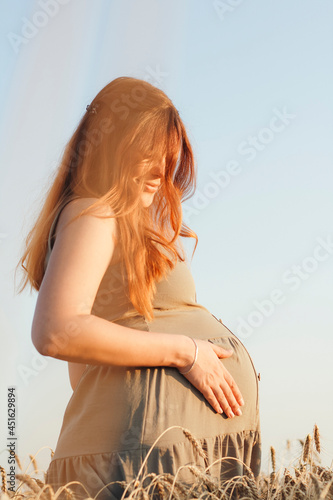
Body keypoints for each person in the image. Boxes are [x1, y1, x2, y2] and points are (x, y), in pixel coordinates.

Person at [17, 76, 261, 499]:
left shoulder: (124, 221)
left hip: (169, 452)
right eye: (146, 153)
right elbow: (57, 331)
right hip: (146, 460)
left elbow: (84, 371)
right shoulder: (95, 212)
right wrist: (188, 352)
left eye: (168, 155)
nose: (161, 170)